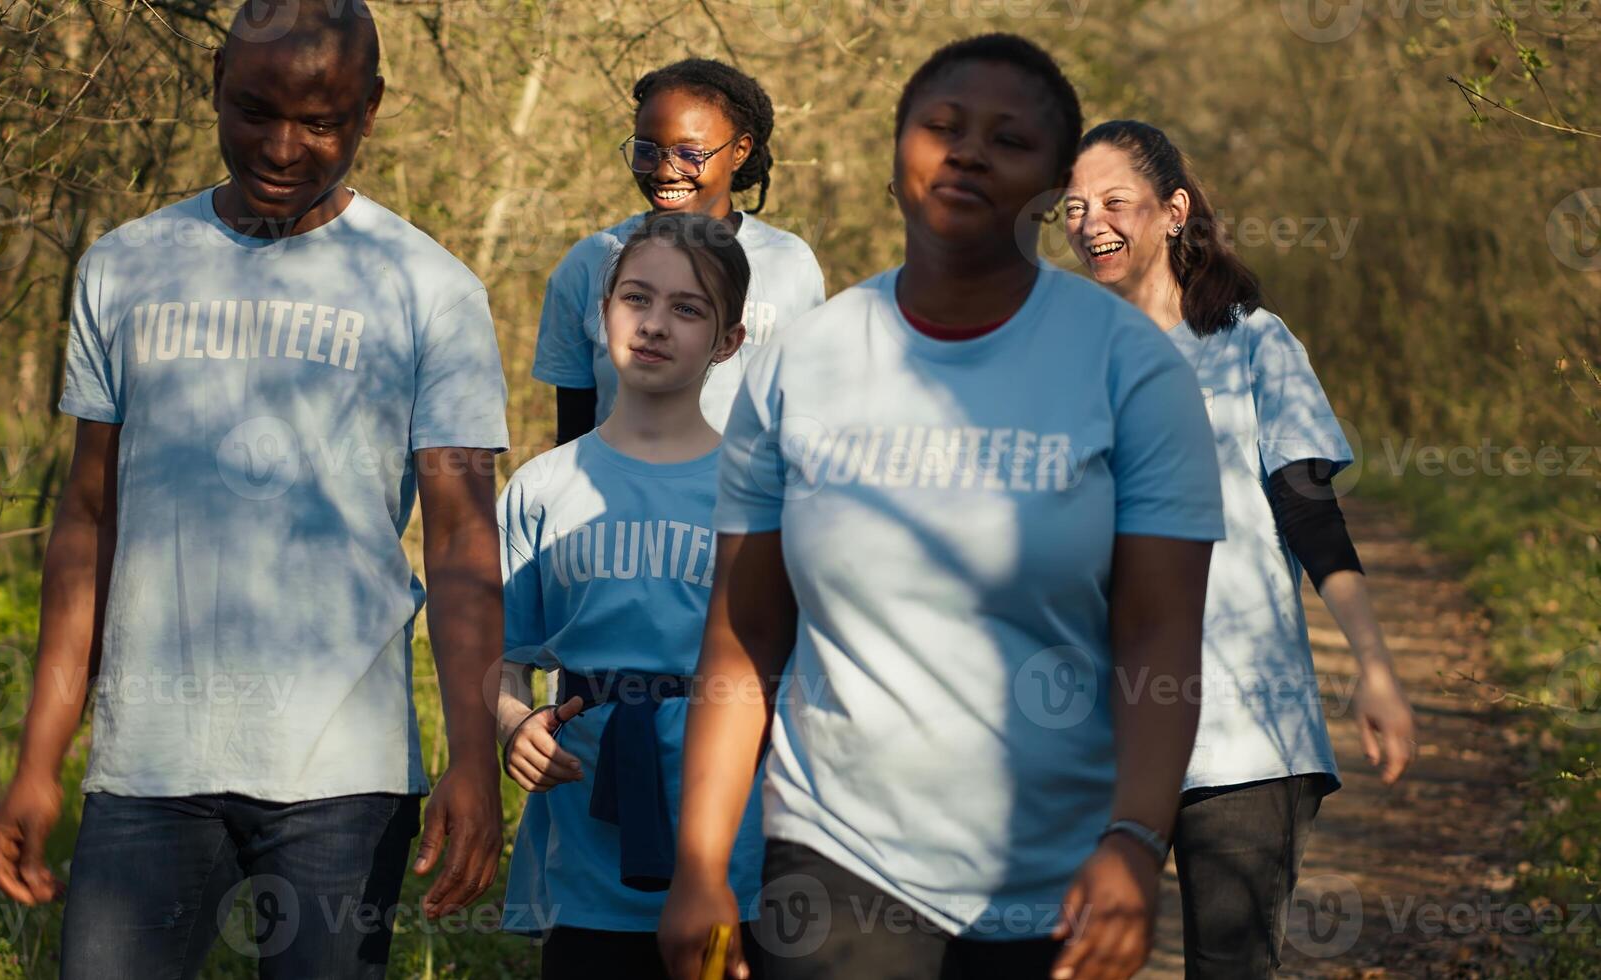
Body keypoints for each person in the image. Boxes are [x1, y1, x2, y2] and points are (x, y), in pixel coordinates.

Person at [659, 34, 1226, 980]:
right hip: (834, 857)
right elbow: (743, 634)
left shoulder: (1131, 368)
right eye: (941, 127)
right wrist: (700, 863)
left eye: (1007, 140)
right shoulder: (806, 363)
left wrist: (1134, 839)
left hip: (1057, 878)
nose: (966, 152)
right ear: (896, 153)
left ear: (1052, 187)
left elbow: (1159, 637)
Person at [0, 2, 511, 975]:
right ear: (215, 79)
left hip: (342, 778)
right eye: (254, 108)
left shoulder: (428, 289)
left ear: (372, 109)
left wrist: (472, 757)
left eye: (323, 120)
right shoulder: (126, 268)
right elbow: (87, 519)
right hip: (148, 765)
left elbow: (463, 542)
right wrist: (39, 757)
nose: (283, 145)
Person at [1063, 119, 1417, 979]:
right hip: (1087, 734)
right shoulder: (1058, 362)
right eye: (1073, 207)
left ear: (1173, 209)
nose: (1091, 223)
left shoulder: (1252, 343)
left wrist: (1371, 665)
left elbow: (1310, 515)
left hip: (1244, 731)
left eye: (1115, 202)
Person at [496, 212, 766, 979]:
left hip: (726, 854)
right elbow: (503, 655)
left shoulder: (753, 493)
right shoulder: (542, 487)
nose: (653, 325)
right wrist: (515, 724)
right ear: (601, 311)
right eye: (635, 299)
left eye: (687, 309)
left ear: (727, 341)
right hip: (584, 838)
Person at [531, 58, 825, 444]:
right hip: (620, 498)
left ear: (739, 151)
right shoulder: (590, 262)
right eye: (647, 151)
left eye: (690, 154)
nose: (665, 171)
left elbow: (807, 412)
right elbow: (573, 432)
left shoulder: (789, 263)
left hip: (747, 498)